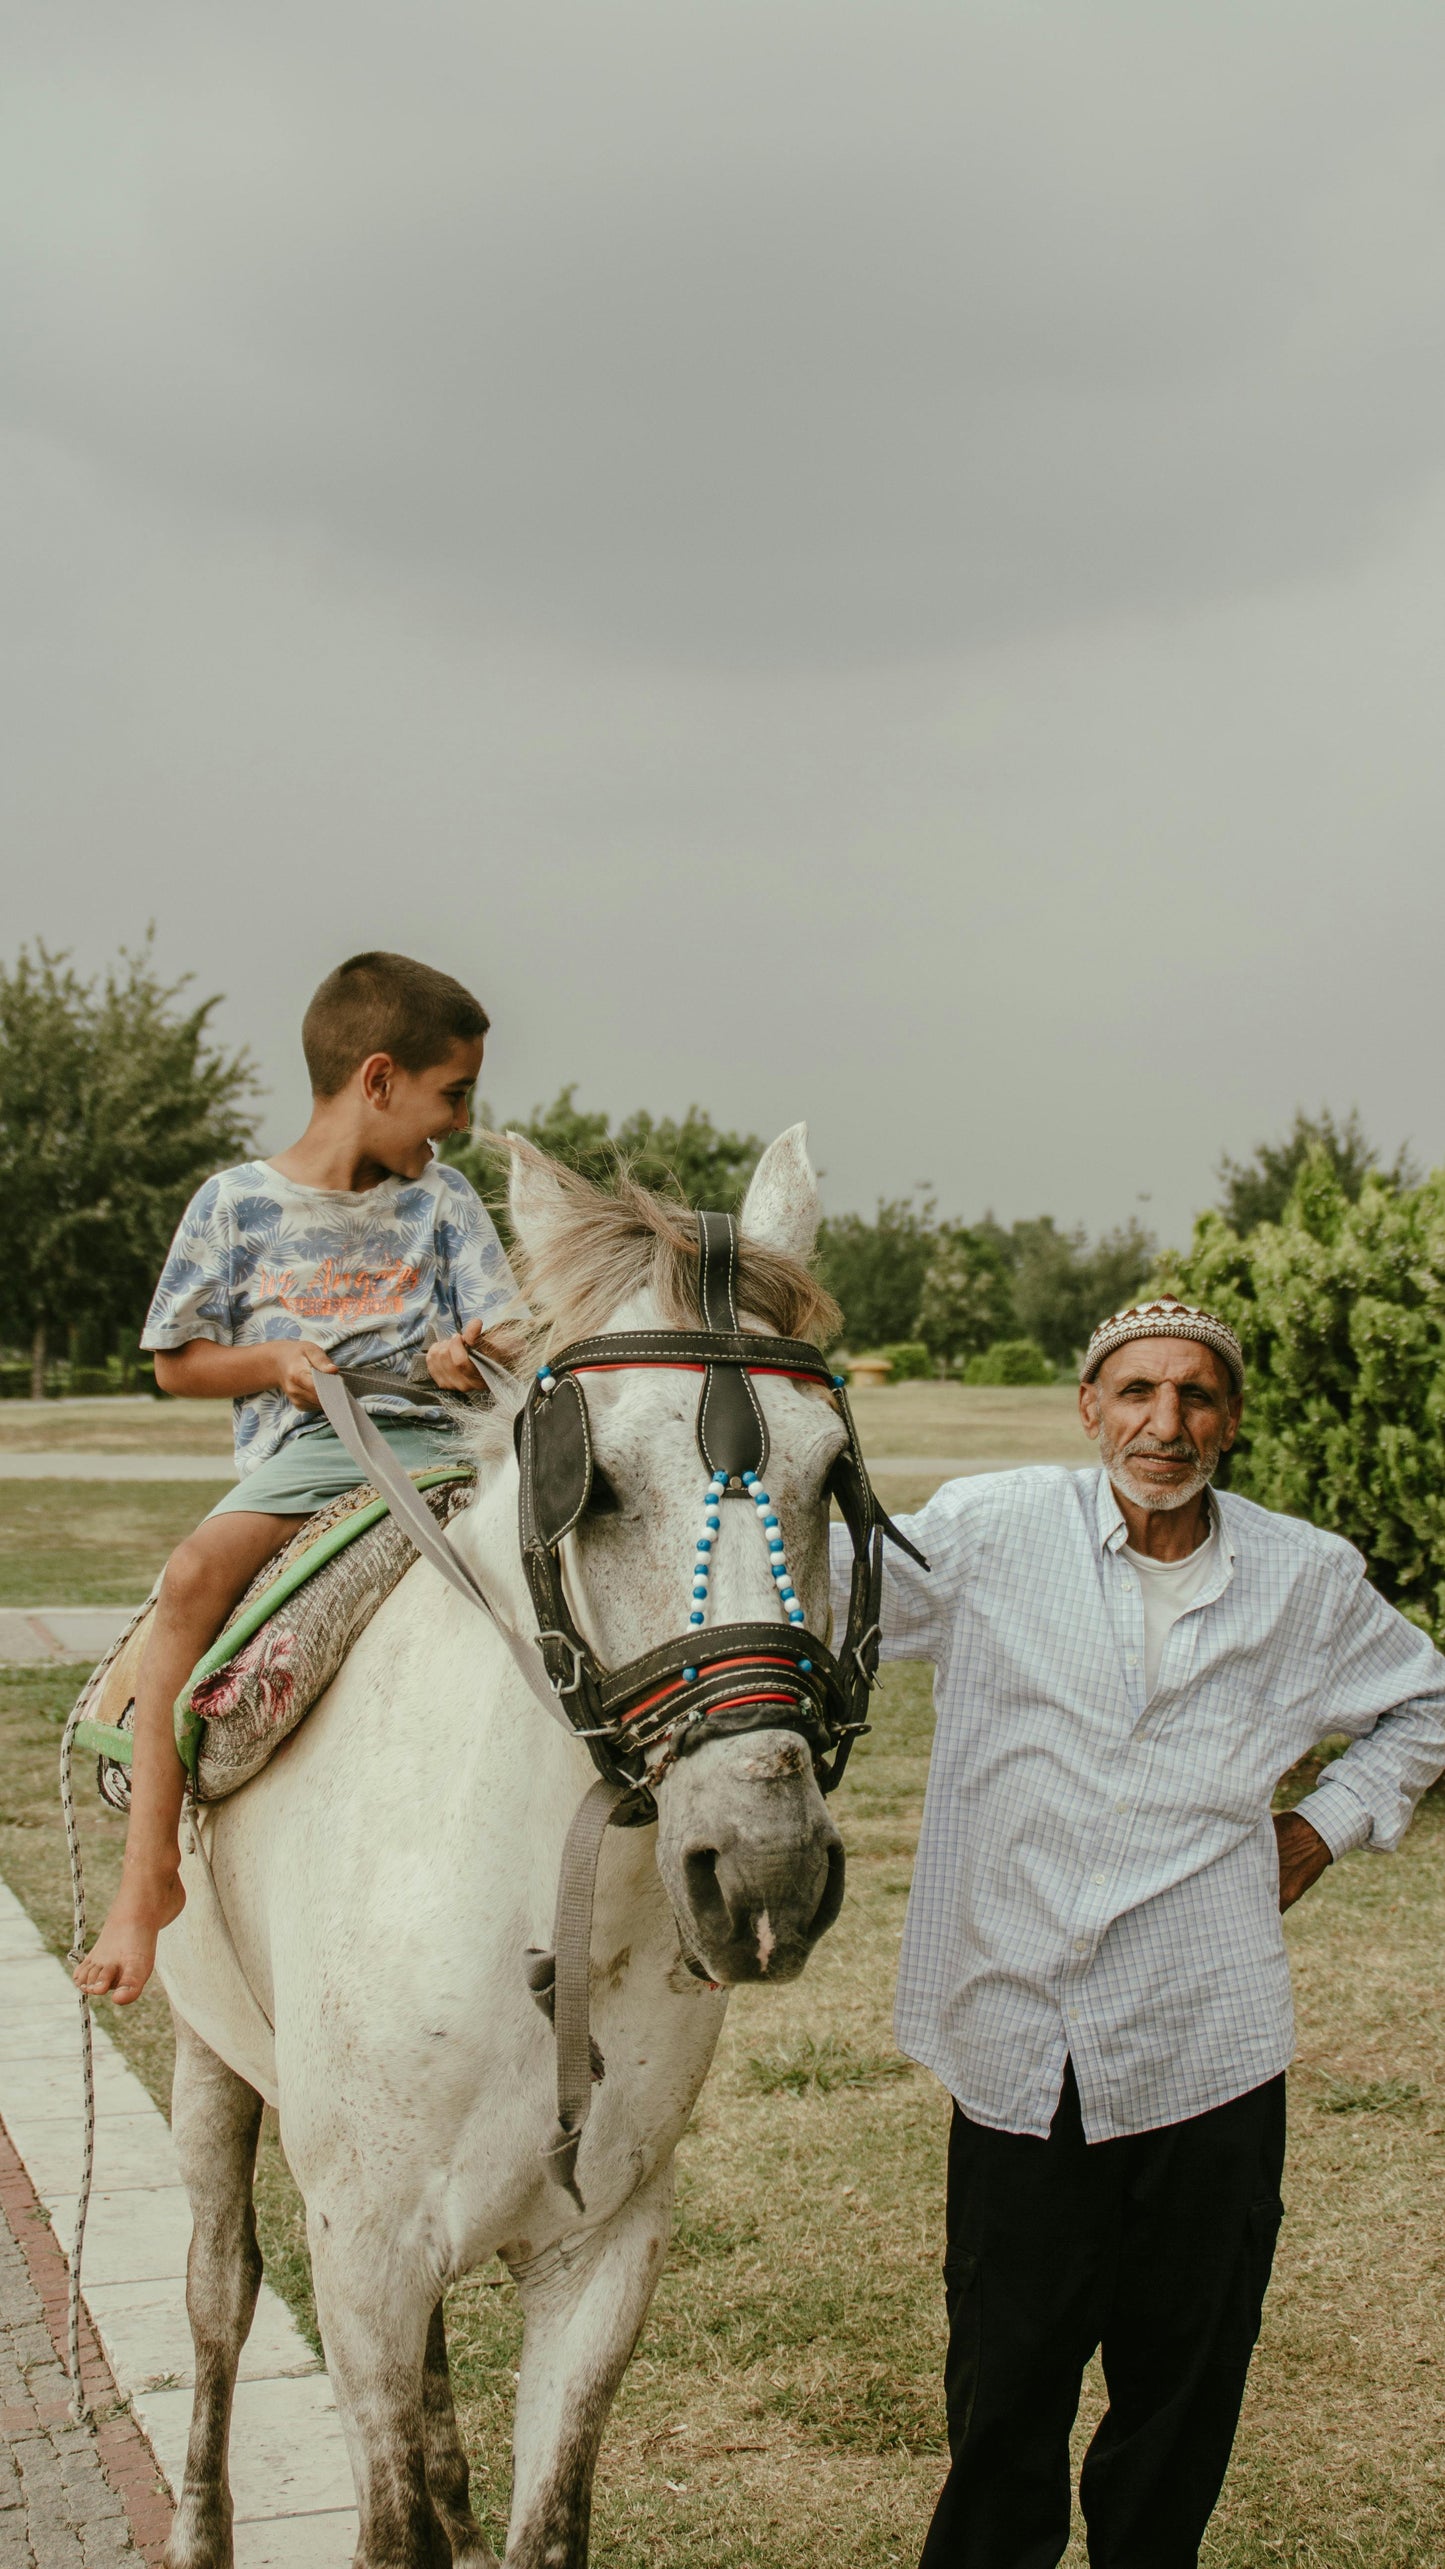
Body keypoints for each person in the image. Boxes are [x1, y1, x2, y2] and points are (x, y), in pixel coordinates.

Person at [835, 1297, 1445, 2569]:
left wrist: (1324, 1825)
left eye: (1195, 1396)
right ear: (1088, 1408)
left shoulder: (1302, 1574)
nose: (1163, 1424)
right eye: (1134, 1393)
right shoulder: (992, 1530)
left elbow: (1425, 1698)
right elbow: (827, 1589)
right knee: (1005, 2392)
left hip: (1206, 2040)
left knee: (1182, 2388)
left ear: (1229, 1418)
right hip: (1016, 2038)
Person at [74, 950, 524, 2009]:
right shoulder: (233, 1205)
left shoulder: (445, 1203)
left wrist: (474, 1353)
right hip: (308, 1456)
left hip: (445, 1443)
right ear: (377, 1079)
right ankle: (149, 1876)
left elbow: (504, 1327)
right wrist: (274, 1362)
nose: (457, 1120)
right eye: (449, 1093)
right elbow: (175, 1361)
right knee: (190, 1578)